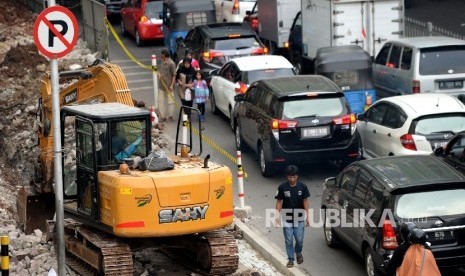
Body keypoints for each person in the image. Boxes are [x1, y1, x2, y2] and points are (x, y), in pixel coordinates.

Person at [274, 165, 310, 268]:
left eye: (294, 177)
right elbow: (279, 202)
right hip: (286, 218)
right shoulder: (282, 187)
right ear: (287, 176)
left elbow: (305, 201)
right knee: (288, 239)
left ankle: (298, 252)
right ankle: (290, 259)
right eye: (290, 177)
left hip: (299, 217)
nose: (292, 179)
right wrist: (276, 217)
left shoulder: (303, 187)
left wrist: (308, 216)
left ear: (297, 176)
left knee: (299, 239)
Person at [158, 49, 176, 122]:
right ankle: (162, 116)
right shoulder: (162, 62)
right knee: (161, 101)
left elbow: (174, 75)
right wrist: (159, 74)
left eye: (162, 54)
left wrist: (172, 85)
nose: (160, 55)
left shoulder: (171, 63)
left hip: (169, 86)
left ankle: (170, 116)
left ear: (164, 54)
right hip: (161, 85)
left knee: (170, 101)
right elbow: (160, 71)